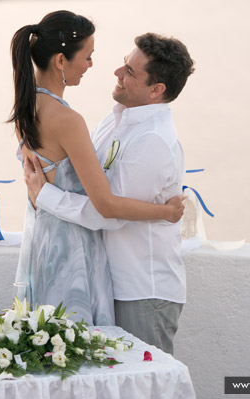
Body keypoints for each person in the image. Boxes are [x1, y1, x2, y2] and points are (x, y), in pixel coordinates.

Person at [23, 32, 195, 355]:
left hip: (142, 290)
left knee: (144, 389)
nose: (117, 72)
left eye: (130, 72)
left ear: (157, 90)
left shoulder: (153, 141)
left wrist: (44, 196)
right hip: (109, 283)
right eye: (124, 64)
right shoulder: (114, 122)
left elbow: (111, 214)